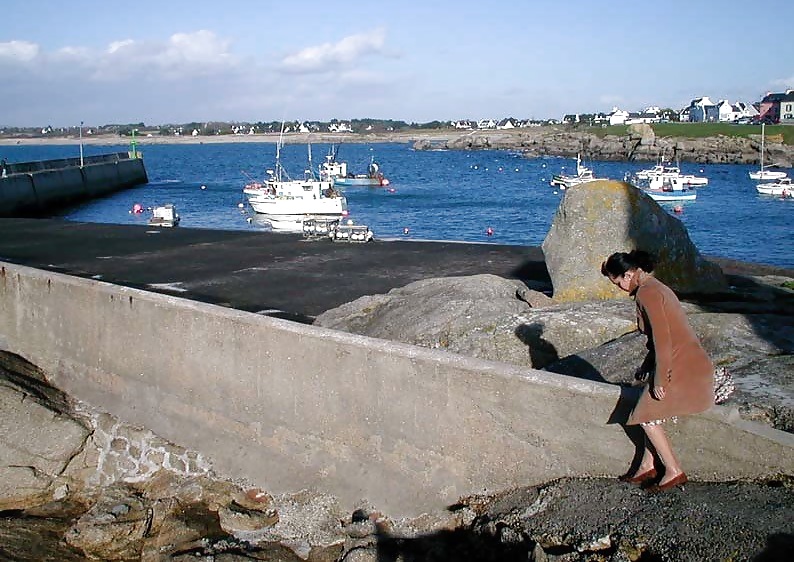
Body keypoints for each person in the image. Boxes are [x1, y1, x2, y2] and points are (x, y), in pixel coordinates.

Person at [601, 250, 714, 492]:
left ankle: (673, 471)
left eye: (618, 281)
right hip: (683, 359)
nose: (619, 286)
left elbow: (664, 338)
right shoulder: (654, 287)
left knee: (647, 417)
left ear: (629, 274)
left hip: (682, 365)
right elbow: (660, 337)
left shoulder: (647, 293)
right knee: (644, 411)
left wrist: (660, 379)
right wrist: (647, 366)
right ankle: (647, 465)